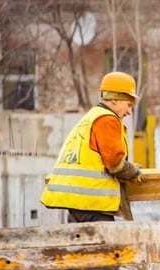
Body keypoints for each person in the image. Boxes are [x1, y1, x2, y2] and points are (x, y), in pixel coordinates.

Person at [41, 71, 146, 222]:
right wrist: (132, 171)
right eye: (129, 105)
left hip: (78, 203)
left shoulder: (91, 117)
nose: (130, 111)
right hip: (92, 205)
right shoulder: (107, 120)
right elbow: (115, 164)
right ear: (114, 99)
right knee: (104, 239)